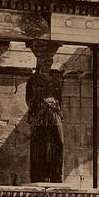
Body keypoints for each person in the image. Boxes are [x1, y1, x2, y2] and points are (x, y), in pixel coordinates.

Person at [26, 53, 64, 182]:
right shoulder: (33, 80)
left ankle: (56, 175)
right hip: (40, 113)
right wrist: (39, 102)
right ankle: (39, 176)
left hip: (55, 113)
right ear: (40, 63)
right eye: (45, 62)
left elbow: (60, 99)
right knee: (40, 144)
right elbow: (29, 100)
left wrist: (59, 111)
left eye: (49, 62)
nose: (48, 65)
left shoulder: (55, 80)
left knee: (59, 142)